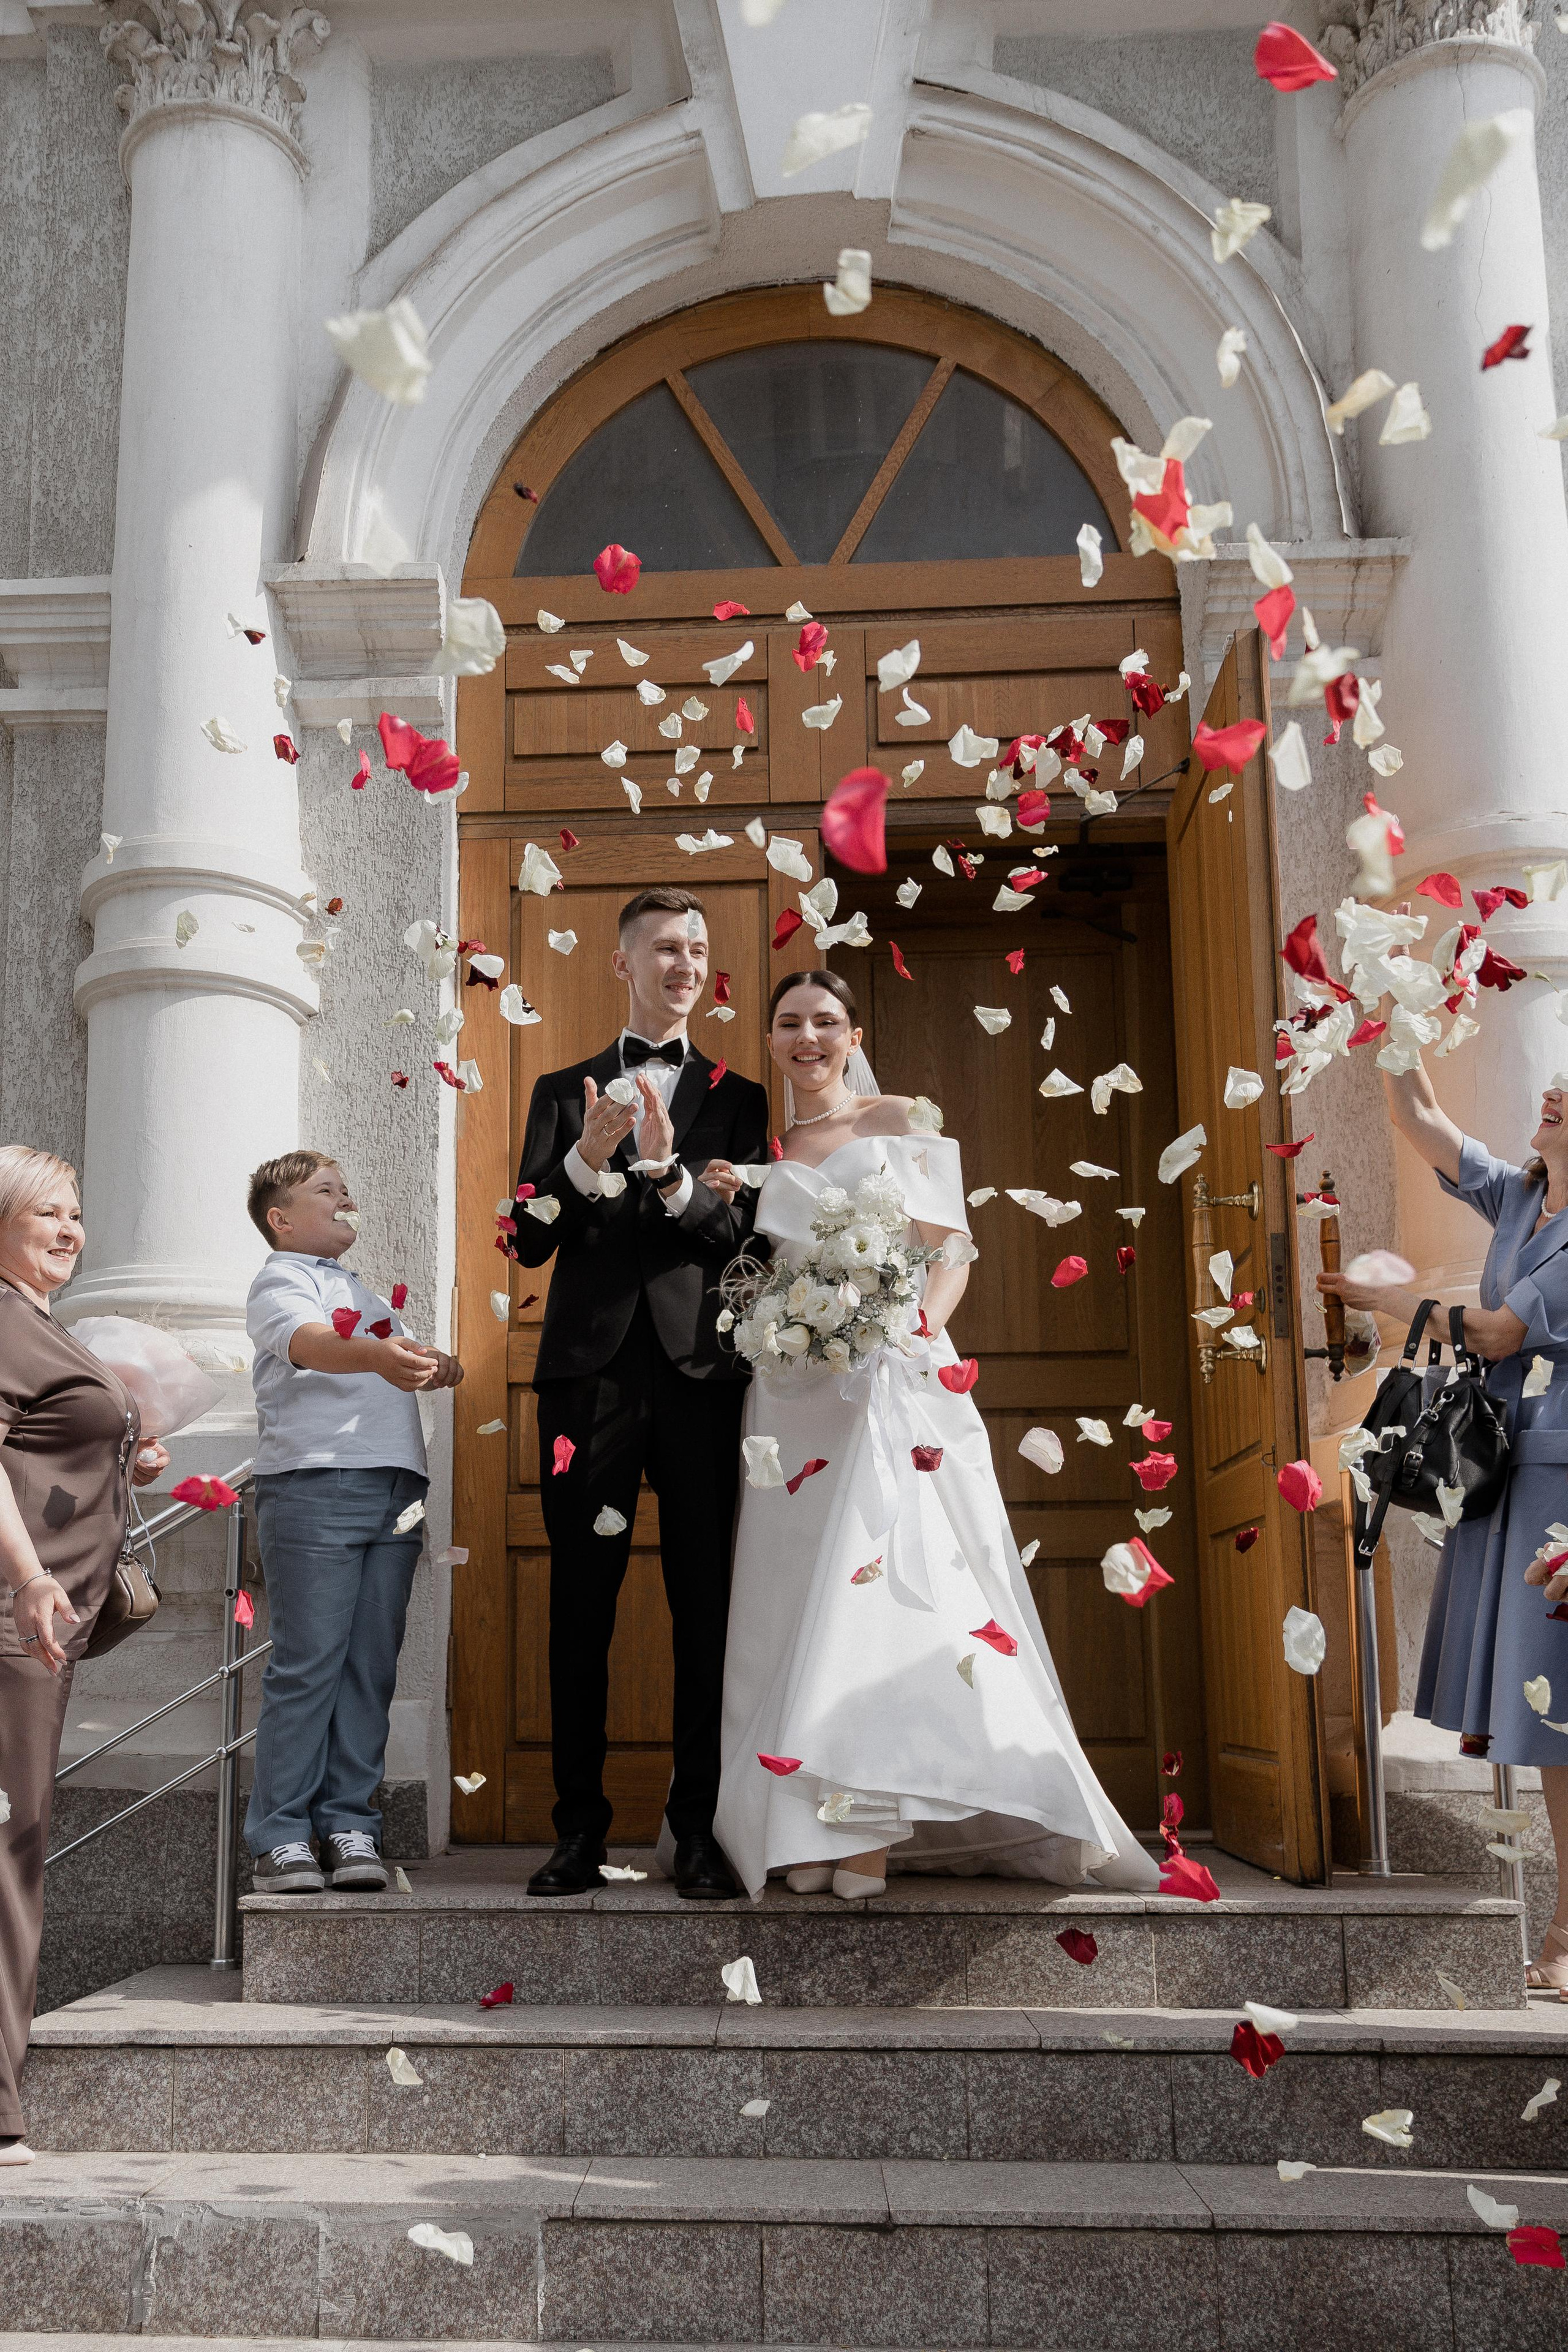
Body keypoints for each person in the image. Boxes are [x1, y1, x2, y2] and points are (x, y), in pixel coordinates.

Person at [705, 974, 1159, 1901]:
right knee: (791, 1603)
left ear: (853, 1032)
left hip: (886, 1375)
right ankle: (803, 1821)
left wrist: (905, 1329)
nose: (807, 1038)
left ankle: (869, 1824)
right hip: (792, 1391)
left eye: (825, 1022)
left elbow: (947, 1251)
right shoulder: (764, 1143)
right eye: (789, 1023)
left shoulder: (900, 1121)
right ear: (770, 1035)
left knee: (882, 1594)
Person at [512, 887, 769, 1899]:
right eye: (665, 948)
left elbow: (741, 1241)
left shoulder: (742, 1098)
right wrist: (584, 1154)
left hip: (704, 1377)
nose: (684, 964)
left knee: (704, 1605)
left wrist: (667, 1170)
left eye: (697, 949)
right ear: (623, 963)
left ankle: (695, 1830)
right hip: (589, 1380)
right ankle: (577, 1832)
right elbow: (530, 1237)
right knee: (583, 1605)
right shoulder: (559, 1086)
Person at [1319, 1052, 1568, 1996]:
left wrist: (1399, 1304)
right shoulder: (1519, 1199)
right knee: (1549, 1725)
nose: (1551, 1092)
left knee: (1561, 1713)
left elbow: (1502, 1333)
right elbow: (1418, 1112)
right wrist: (1393, 1016)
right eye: (1552, 1076)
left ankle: (1566, 1937)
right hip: (1514, 1481)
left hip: (1562, 1489)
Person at [0, 1145, 170, 2165]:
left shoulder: (37, 1323)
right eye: (49, 1214)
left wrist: (127, 1453)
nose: (71, 1229)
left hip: (39, 1635)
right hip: (12, 1623)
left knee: (16, 1850)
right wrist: (26, 1577)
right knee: (9, 1855)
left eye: (78, 1215)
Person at [243, 1152, 462, 1894]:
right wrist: (377, 1354)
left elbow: (390, 1358)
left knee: (369, 1666)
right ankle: (280, 1837)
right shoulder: (283, 1279)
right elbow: (309, 1345)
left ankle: (348, 1824)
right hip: (315, 1487)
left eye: (346, 1189)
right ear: (282, 1219)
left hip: (394, 1488)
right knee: (309, 1666)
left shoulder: (363, 1292)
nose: (346, 1200)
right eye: (326, 1193)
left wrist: (437, 1364)